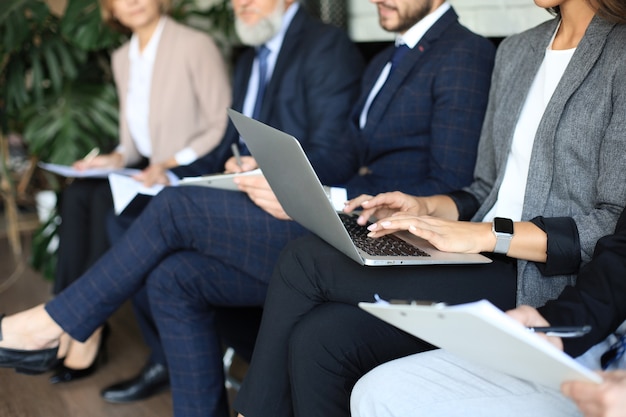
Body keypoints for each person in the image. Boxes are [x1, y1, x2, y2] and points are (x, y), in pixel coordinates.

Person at [0, 0, 496, 415]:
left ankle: (57, 323)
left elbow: (447, 188)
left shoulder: (465, 54)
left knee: (175, 207)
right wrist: (285, 174)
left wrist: (331, 197)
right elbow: (347, 155)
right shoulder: (389, 59)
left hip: (384, 237)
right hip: (342, 213)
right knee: (174, 276)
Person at [232, 1, 626, 416]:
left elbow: (611, 222)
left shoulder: (618, 55)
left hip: (539, 276)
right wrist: (426, 206)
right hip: (476, 253)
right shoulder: (516, 50)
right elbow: (486, 187)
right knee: (320, 338)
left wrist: (486, 234)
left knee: (303, 261)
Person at [98, 0, 366, 404]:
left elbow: (339, 156)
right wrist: (172, 172)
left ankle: (64, 327)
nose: (241, 3)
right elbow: (227, 146)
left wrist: (269, 168)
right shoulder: (249, 59)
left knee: (170, 208)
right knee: (159, 256)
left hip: (288, 211)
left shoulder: (325, 45)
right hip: (240, 194)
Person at [50, 0, 230, 385]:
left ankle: (109, 336)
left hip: (191, 169)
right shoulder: (122, 58)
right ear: (110, 8)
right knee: (80, 193)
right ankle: (71, 319)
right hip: (147, 170)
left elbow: (220, 125)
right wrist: (111, 158)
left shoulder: (195, 45)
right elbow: (132, 144)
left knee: (111, 209)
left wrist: (169, 163)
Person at [350, 204, 626, 417]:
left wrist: (490, 234)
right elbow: (621, 256)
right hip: (605, 340)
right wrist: (558, 324)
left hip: (530, 271)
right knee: (380, 392)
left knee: (330, 311)